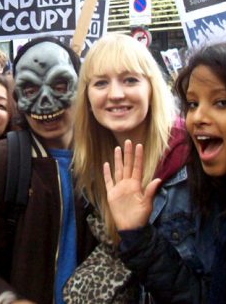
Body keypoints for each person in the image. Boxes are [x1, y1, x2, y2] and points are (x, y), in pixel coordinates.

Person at [104, 40, 226, 303]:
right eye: (192, 104)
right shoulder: (224, 199)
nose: (198, 117)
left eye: (222, 102)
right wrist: (139, 237)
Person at [0, 36, 96, 304]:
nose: (45, 102)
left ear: (81, 87)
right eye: (31, 90)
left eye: (60, 85)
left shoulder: (105, 160)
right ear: (17, 98)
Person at [67, 33, 190, 302]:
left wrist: (139, 235)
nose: (116, 94)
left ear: (151, 88)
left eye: (130, 80)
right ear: (87, 97)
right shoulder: (87, 170)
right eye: (100, 83)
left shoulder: (192, 163)